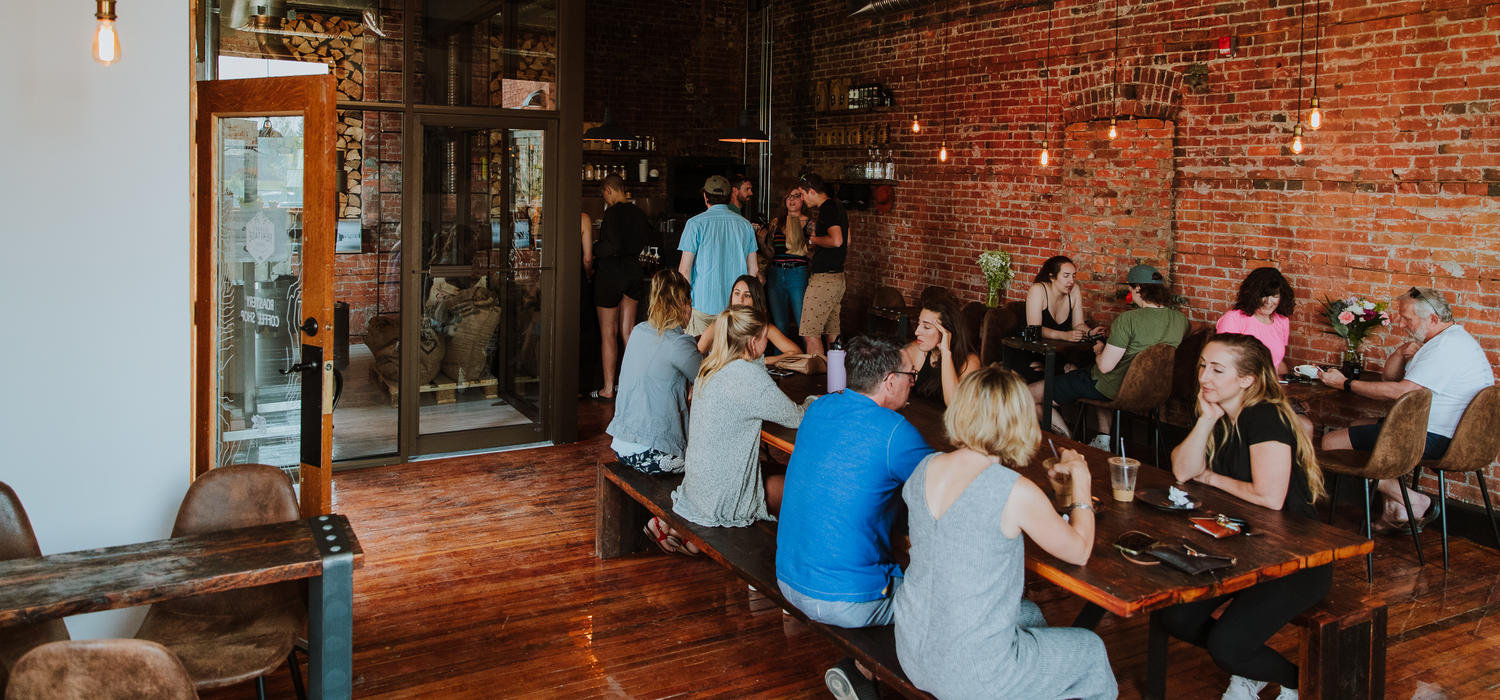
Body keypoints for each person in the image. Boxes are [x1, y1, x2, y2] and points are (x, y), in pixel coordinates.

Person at [894, 367, 1116, 700]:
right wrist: (1082, 479)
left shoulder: (925, 468)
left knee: (1031, 614)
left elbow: (970, 525)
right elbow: (1079, 550)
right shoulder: (1014, 491)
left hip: (912, 647)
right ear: (1019, 419)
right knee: (1091, 652)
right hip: (970, 673)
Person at [1166, 333, 1329, 700]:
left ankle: (1298, 681)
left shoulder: (1265, 416)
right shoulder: (1220, 411)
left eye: (1217, 370)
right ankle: (1251, 667)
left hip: (1296, 557)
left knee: (1229, 647)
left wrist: (1209, 477)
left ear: (1246, 379)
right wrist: (1206, 419)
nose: (1205, 377)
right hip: (1242, 548)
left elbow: (1270, 498)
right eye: (1203, 366)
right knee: (1173, 616)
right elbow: (1181, 471)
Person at [775, 335, 933, 698]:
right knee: (936, 593)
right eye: (911, 375)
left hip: (789, 577)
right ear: (890, 381)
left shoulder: (818, 409)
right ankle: (867, 670)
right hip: (846, 600)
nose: (913, 381)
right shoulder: (895, 431)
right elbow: (945, 489)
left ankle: (859, 668)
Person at [1319, 287, 1494, 533]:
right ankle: (1397, 509)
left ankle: (1414, 500)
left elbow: (1401, 391)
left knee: (1331, 442)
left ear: (1432, 319)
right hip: (1457, 437)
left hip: (1436, 438)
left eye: (1407, 318)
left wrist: (1345, 384)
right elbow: (1389, 378)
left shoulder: (1443, 349)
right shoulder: (1447, 340)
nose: (1401, 324)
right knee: (1358, 425)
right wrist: (1402, 351)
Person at [654, 306, 804, 547]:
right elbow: (797, 418)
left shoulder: (711, 366)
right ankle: (779, 555)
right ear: (754, 342)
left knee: (774, 470)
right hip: (724, 498)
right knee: (805, 487)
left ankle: (687, 534)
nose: (768, 342)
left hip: (698, 487)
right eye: (766, 337)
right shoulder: (750, 378)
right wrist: (814, 401)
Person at [1030, 264, 1188, 447]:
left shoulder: (1129, 320)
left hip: (1112, 388)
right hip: (1152, 391)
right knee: (1081, 372)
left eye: (1130, 288)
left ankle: (1069, 441)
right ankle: (1103, 440)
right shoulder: (1181, 321)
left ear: (1138, 288)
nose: (1130, 293)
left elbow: (1105, 367)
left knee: (1027, 395)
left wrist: (1099, 349)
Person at [606, 270, 702, 476]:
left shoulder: (639, 331)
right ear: (683, 304)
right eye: (689, 302)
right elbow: (710, 380)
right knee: (715, 463)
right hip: (653, 454)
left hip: (621, 445)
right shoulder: (678, 342)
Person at [588, 175, 650, 399]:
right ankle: (632, 385)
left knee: (608, 333)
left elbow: (612, 246)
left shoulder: (612, 213)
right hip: (633, 272)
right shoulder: (639, 213)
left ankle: (607, 388)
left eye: (604, 193)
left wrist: (595, 249)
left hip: (610, 274)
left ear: (608, 190)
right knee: (629, 331)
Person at [678, 176, 759, 336]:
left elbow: (684, 270)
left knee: (699, 356)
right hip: (735, 307)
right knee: (731, 356)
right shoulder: (745, 225)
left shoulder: (695, 224)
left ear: (705, 196)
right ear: (730, 197)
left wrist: (685, 302)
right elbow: (754, 269)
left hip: (702, 303)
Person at [797, 174, 848, 357]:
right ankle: (835, 381)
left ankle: (815, 383)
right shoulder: (839, 206)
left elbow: (837, 241)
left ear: (812, 191)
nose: (802, 199)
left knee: (810, 333)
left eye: (802, 194)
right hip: (837, 278)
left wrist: (813, 240)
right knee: (832, 334)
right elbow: (847, 240)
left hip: (824, 280)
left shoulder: (827, 208)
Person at [696, 275, 802, 360]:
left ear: (756, 300)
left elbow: (796, 353)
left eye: (747, 295)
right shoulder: (720, 323)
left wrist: (765, 361)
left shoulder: (763, 326)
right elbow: (696, 355)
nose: (740, 300)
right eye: (737, 293)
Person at [1216, 267, 1295, 374]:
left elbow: (1277, 362)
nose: (1268, 302)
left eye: (1275, 296)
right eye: (1263, 296)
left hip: (1271, 386)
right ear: (1252, 295)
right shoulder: (1234, 319)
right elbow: (1222, 361)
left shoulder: (1282, 321)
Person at [904, 297, 981, 406]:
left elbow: (954, 406)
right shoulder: (916, 349)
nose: (917, 332)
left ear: (946, 331)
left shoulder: (970, 362)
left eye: (926, 327)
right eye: (919, 323)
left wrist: (945, 353)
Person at [765, 188, 812, 339]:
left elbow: (813, 253)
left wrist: (802, 245)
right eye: (788, 197)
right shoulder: (776, 223)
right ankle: (781, 361)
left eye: (796, 196)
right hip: (775, 272)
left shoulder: (809, 223)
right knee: (780, 324)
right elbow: (771, 253)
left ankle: (810, 360)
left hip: (797, 272)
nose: (792, 200)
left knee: (803, 323)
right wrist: (761, 241)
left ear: (803, 199)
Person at [1026, 255, 1097, 342]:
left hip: (1060, 348)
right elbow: (1034, 329)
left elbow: (1078, 324)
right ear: (1052, 277)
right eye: (1066, 276)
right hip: (1035, 348)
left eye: (1073, 276)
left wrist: (1090, 332)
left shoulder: (1074, 289)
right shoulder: (1038, 290)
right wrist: (1064, 335)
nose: (1071, 281)